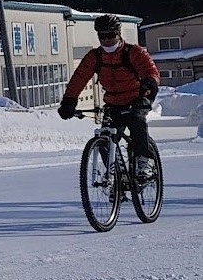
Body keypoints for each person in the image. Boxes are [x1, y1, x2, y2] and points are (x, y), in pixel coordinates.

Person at [57, 14, 160, 179]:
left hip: (137, 99)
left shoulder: (133, 52)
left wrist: (149, 85)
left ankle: (145, 161)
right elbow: (79, 78)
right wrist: (69, 101)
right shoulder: (95, 56)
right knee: (105, 139)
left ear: (119, 34)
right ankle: (118, 179)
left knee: (137, 124)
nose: (106, 40)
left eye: (111, 35)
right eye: (102, 36)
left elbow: (150, 70)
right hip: (113, 102)